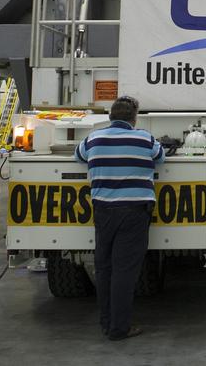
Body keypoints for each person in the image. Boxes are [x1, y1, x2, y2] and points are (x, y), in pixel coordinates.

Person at [75, 96, 165, 341]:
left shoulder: (93, 138)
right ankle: (120, 327)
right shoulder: (144, 138)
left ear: (111, 116)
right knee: (125, 271)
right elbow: (161, 157)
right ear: (134, 119)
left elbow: (79, 156)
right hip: (134, 211)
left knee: (104, 269)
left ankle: (106, 322)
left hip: (103, 210)